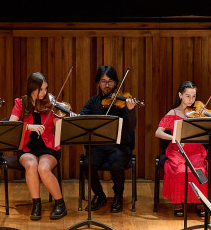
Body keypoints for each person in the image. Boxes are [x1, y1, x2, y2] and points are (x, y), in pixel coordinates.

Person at [9, 72, 68, 220]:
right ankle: (36, 204)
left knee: (43, 168)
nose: (44, 93)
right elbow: (11, 126)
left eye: (46, 89)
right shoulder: (21, 103)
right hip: (27, 148)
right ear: (32, 88)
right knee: (31, 165)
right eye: (41, 89)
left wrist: (66, 118)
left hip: (48, 148)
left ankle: (60, 203)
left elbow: (59, 127)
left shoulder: (50, 104)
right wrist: (29, 127)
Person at [79, 65, 138, 213]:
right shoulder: (92, 102)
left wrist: (130, 111)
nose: (107, 85)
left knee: (116, 165)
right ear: (98, 82)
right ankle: (99, 195)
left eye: (110, 81)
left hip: (118, 146)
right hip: (98, 146)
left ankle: (118, 195)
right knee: (87, 164)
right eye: (103, 81)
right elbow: (82, 119)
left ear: (116, 83)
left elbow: (131, 126)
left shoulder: (124, 102)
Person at [155, 81, 209, 217]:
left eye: (193, 96)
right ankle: (178, 201)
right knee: (180, 171)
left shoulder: (198, 114)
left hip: (196, 150)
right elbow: (158, 132)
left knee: (200, 170)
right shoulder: (173, 113)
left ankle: (199, 200)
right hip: (178, 151)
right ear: (180, 95)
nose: (191, 100)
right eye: (187, 96)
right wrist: (174, 137)